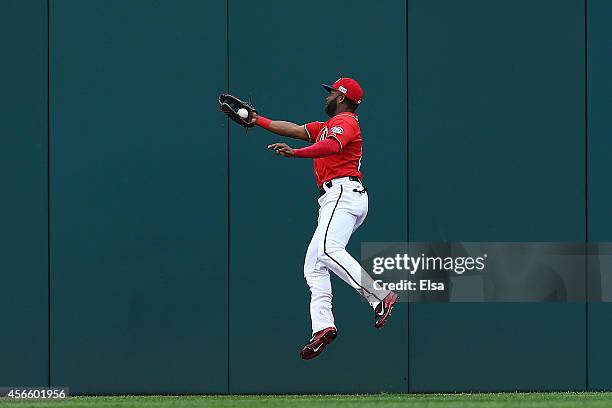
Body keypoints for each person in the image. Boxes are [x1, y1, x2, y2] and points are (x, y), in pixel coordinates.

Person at [250, 77, 398, 360]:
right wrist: (257, 120)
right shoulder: (326, 127)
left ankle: (379, 295)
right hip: (336, 197)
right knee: (314, 265)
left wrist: (296, 154)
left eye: (331, 92)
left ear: (341, 97)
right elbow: (294, 129)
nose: (327, 96)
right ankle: (323, 327)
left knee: (329, 250)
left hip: (343, 191)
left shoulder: (347, 123)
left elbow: (332, 147)